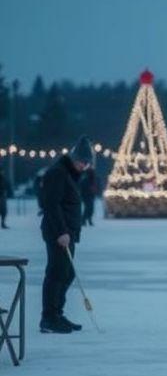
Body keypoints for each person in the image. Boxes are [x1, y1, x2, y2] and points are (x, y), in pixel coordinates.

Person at [39, 136, 95, 334]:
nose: (84, 166)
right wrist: (61, 231)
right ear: (73, 158)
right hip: (58, 233)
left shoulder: (69, 174)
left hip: (68, 233)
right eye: (82, 161)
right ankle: (49, 318)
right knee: (56, 273)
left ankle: (57, 313)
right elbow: (51, 204)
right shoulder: (58, 173)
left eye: (87, 163)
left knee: (67, 273)